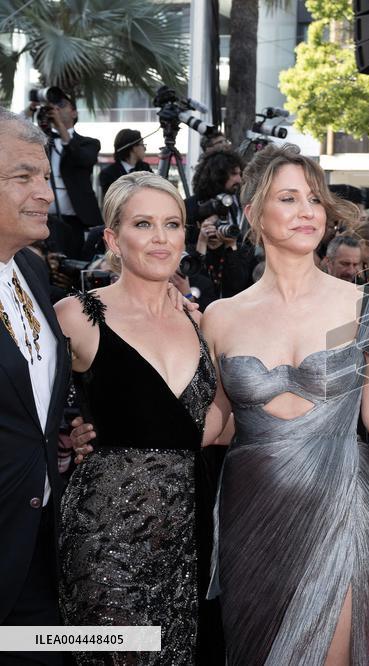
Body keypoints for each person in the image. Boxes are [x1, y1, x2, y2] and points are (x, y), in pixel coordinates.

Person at [199, 143, 369, 665]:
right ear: (253, 212)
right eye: (288, 198)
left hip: (343, 505)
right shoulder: (220, 317)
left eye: (314, 199)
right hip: (251, 514)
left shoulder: (363, 304)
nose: (308, 211)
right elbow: (213, 421)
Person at [54, 172, 221, 665]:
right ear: (113, 239)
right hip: (103, 540)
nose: (160, 238)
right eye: (143, 224)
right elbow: (28, 411)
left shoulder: (201, 323)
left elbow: (219, 426)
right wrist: (64, 438)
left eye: (172, 224)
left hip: (186, 542)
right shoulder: (76, 316)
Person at [0, 107, 72, 666]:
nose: (44, 193)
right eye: (23, 177)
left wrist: (61, 435)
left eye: (45, 177)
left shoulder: (31, 268)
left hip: (38, 543)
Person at [30, 92, 102, 259]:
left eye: (62, 105)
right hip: (44, 217)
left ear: (74, 113)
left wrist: (61, 127)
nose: (56, 108)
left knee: (75, 261)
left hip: (76, 219)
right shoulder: (41, 142)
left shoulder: (89, 143)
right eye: (53, 106)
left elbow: (83, 159)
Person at [98, 129, 151, 197]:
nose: (145, 149)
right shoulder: (108, 174)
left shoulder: (146, 168)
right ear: (134, 147)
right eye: (142, 144)